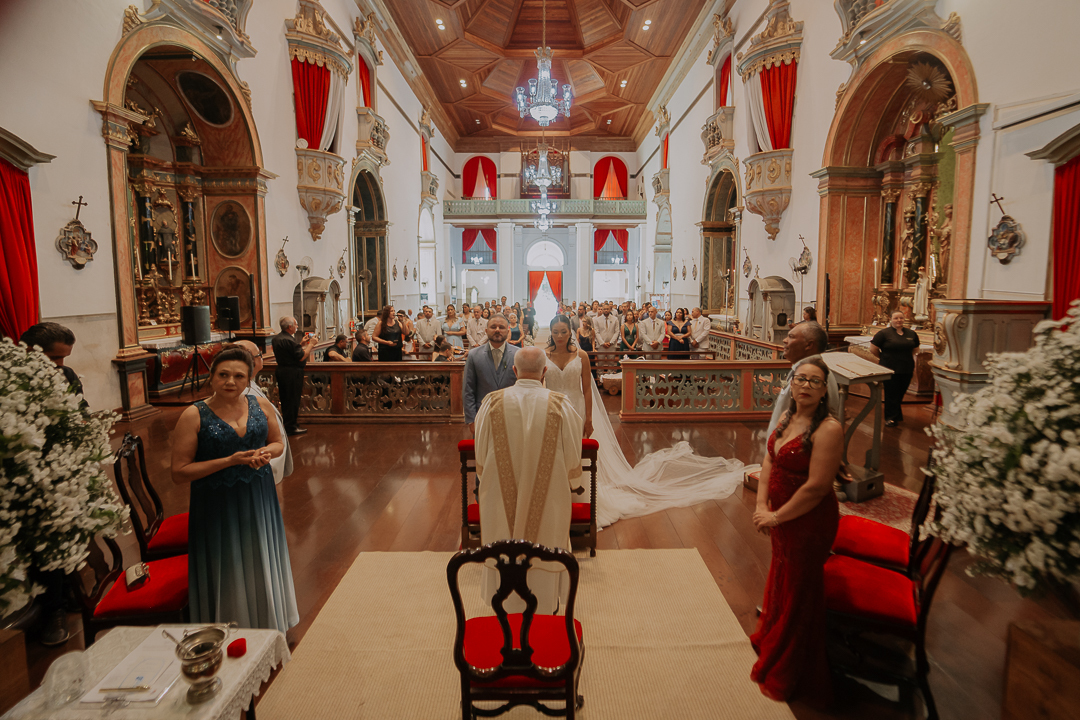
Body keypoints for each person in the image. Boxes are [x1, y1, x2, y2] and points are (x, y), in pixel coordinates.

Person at [543, 315, 744, 527]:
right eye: (555, 332)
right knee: (556, 451)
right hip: (553, 409)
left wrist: (589, 417)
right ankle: (557, 496)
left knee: (578, 452)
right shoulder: (544, 355)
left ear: (570, 332)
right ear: (550, 332)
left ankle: (581, 496)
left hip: (577, 408)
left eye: (563, 332)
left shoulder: (581, 355)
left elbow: (586, 389)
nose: (559, 336)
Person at [171, 346, 299, 634]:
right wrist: (229, 461)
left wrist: (266, 452)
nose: (231, 381)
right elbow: (179, 473)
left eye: (239, 376)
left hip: (259, 494)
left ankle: (268, 622)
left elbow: (278, 443)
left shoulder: (260, 404)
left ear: (249, 378)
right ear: (211, 377)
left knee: (260, 554)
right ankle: (230, 628)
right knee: (227, 561)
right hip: (217, 502)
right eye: (223, 375)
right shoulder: (193, 415)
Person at [750, 357, 843, 708]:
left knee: (800, 585)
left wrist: (775, 517)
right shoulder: (787, 418)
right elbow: (769, 461)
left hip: (808, 521)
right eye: (800, 379)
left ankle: (795, 664)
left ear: (824, 391)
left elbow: (817, 487)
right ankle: (774, 634)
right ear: (791, 384)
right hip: (779, 515)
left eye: (814, 381)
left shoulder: (829, 429)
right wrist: (761, 505)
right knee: (783, 575)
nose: (805, 386)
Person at [474, 346, 584, 614]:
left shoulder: (492, 403)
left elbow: (481, 458)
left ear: (514, 370)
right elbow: (573, 458)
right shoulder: (561, 405)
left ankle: (504, 611)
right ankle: (545, 611)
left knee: (502, 547)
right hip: (549, 502)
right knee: (546, 547)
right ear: (545, 371)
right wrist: (572, 480)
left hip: (499, 501)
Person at [18, 322, 84, 645]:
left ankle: (68, 592)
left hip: (63, 469)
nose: (60, 365)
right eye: (54, 358)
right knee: (43, 540)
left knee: (68, 532)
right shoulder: (13, 380)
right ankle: (51, 608)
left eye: (64, 358)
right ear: (30, 351)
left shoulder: (67, 376)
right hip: (27, 474)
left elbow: (81, 414)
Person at [234, 340, 293, 485]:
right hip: (258, 468)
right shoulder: (243, 393)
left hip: (266, 462)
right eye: (259, 354)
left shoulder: (251, 385)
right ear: (252, 360)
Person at [767, 322, 840, 437]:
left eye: (791, 337)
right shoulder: (802, 370)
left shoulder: (818, 376)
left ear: (809, 345)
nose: (785, 340)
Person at [463, 313, 519, 433]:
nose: (497, 330)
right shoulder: (474, 355)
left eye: (501, 327)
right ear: (486, 330)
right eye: (493, 327)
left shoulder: (518, 355)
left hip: (513, 416)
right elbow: (468, 389)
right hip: (482, 416)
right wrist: (471, 420)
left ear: (508, 331)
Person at [871, 311, 921, 426]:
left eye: (901, 318)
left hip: (906, 367)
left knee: (901, 392)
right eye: (896, 318)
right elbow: (873, 349)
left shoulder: (911, 333)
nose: (899, 320)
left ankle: (896, 415)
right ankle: (890, 417)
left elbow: (915, 349)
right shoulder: (884, 333)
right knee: (891, 393)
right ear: (891, 319)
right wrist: (884, 358)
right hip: (889, 368)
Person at [272, 316, 316, 436]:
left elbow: (289, 352)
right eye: (296, 324)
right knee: (292, 400)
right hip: (292, 372)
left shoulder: (277, 338)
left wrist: (301, 344)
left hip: (282, 370)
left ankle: (289, 424)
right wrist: (311, 345)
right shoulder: (289, 340)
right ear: (290, 327)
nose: (297, 326)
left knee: (286, 399)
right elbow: (301, 357)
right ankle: (291, 427)